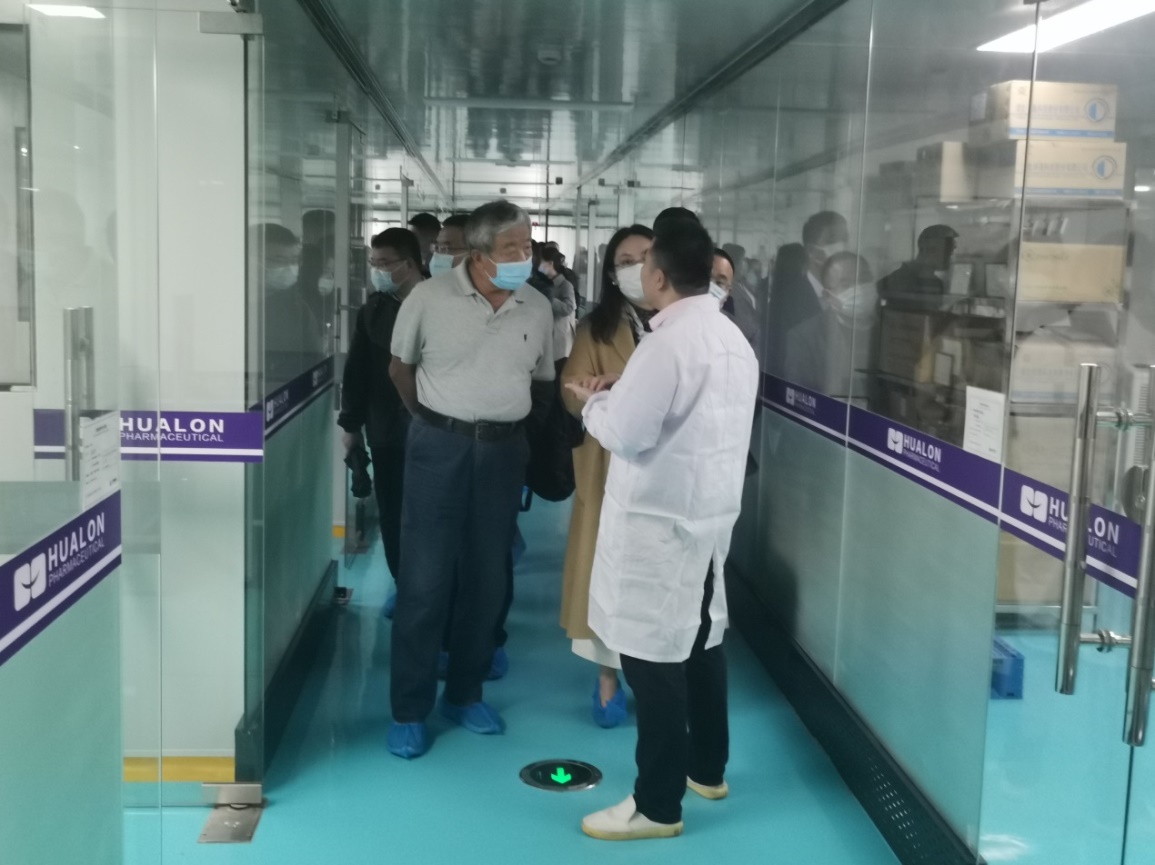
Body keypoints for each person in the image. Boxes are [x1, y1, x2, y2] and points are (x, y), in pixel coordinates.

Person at [567, 218, 758, 841]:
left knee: (652, 660)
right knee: (701, 640)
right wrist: (624, 393)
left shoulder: (667, 343)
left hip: (658, 526)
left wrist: (596, 402)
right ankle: (707, 769)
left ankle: (657, 805)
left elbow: (628, 434)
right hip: (708, 519)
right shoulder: (730, 338)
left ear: (657, 277)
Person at [387, 199, 554, 759]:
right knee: (424, 581)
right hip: (439, 447)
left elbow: (541, 381)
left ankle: (465, 693)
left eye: (527, 245)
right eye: (512, 248)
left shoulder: (536, 306)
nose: (524, 256)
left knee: (488, 580)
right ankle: (409, 710)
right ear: (480, 254)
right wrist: (435, 422)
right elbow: (400, 369)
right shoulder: (428, 298)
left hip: (504, 453)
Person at [560, 224, 655, 728]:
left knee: (652, 575)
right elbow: (569, 391)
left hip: (664, 470)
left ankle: (656, 674)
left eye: (646, 255)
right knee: (606, 570)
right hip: (609, 465)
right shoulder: (595, 329)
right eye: (625, 261)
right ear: (612, 274)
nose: (637, 267)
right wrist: (603, 391)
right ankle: (607, 678)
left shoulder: (680, 322)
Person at [338, 228, 425, 614]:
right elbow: (356, 371)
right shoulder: (373, 309)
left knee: (431, 514)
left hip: (435, 430)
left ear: (410, 263)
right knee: (393, 514)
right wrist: (351, 426)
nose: (377, 270)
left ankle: (436, 592)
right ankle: (405, 586)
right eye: (373, 263)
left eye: (385, 263)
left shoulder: (438, 304)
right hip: (387, 431)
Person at [766, 211, 849, 376]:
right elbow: (783, 362)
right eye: (832, 240)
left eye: (845, 239)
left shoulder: (847, 297)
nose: (842, 246)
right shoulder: (788, 301)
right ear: (811, 251)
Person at [784, 252, 876, 397]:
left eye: (864, 279)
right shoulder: (804, 338)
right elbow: (799, 396)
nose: (859, 288)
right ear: (828, 296)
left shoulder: (890, 329)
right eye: (846, 284)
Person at [261, 223, 323, 388]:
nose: (289, 268)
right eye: (277, 260)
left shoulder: (297, 308)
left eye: (294, 261)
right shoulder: (231, 306)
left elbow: (316, 362)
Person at [877, 224, 959, 300]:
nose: (949, 257)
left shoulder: (936, 283)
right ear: (928, 249)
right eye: (947, 252)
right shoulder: (898, 281)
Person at [539, 245, 577, 363]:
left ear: (550, 264)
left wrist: (549, 299)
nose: (539, 266)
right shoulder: (544, 283)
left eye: (541, 263)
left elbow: (568, 308)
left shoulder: (565, 285)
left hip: (559, 338)